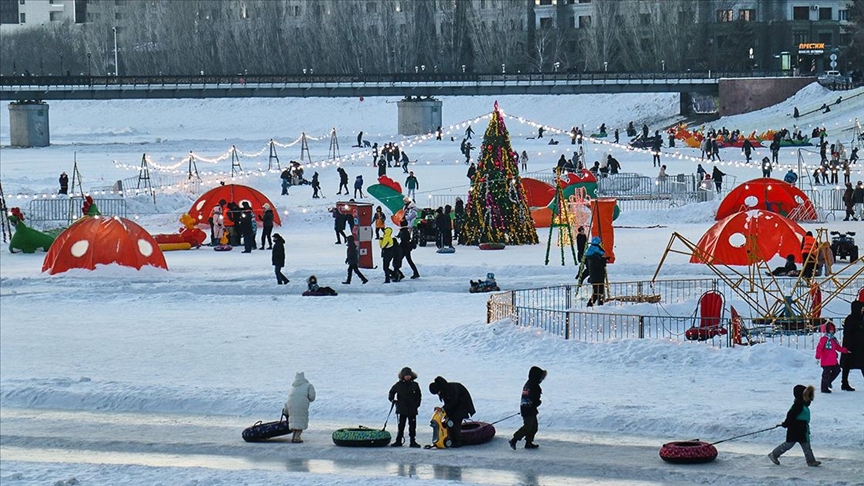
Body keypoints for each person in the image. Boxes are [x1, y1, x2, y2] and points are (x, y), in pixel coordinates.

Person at [768, 385, 820, 467]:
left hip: (802, 429)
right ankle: (774, 454)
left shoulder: (803, 405)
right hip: (795, 428)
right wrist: (786, 424)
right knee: (789, 444)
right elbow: (790, 416)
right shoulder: (798, 405)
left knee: (806, 446)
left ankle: (811, 461)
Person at [428, 376, 476, 448]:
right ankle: (451, 439)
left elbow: (453, 402)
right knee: (450, 421)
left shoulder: (450, 389)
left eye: (437, 392)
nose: (438, 394)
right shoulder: (444, 389)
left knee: (455, 422)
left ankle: (458, 441)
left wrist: (443, 409)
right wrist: (444, 411)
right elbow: (449, 403)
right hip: (456, 406)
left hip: (463, 405)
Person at [509, 366, 546, 450]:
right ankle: (514, 440)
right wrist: (537, 402)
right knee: (528, 427)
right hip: (528, 410)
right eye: (541, 377)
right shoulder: (534, 386)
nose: (542, 379)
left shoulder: (529, 384)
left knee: (534, 427)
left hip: (528, 409)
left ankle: (528, 442)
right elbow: (533, 398)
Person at [389, 367, 422, 448]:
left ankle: (413, 441)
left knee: (412, 426)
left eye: (409, 375)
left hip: (412, 409)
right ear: (403, 376)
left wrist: (416, 405)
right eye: (406, 375)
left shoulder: (415, 385)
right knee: (401, 426)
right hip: (402, 409)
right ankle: (398, 441)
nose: (408, 377)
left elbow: (419, 396)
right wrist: (393, 400)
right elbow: (391, 392)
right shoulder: (398, 385)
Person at [816, 322, 850, 393]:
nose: (832, 331)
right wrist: (818, 356)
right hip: (826, 360)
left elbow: (837, 347)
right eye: (830, 330)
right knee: (826, 374)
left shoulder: (833, 339)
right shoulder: (824, 339)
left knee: (837, 370)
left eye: (832, 330)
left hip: (833, 360)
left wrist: (845, 350)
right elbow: (819, 348)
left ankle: (828, 382)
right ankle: (824, 388)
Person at [283, 372, 316, 444]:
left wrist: (285, 410)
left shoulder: (293, 388)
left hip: (290, 406)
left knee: (295, 421)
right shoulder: (308, 386)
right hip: (301, 405)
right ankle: (297, 437)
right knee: (300, 420)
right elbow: (312, 397)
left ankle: (294, 436)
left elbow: (288, 399)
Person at [840, 300, 864, 391]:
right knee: (847, 365)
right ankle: (844, 383)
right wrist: (848, 347)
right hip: (852, 346)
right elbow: (847, 334)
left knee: (862, 364)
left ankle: (844, 383)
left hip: (860, 346)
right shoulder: (850, 319)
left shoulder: (861, 318)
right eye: (861, 308)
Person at [585, 237, 607, 307]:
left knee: (598, 291)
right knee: (598, 292)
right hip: (598, 277)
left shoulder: (590, 254)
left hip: (595, 277)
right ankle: (592, 304)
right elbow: (599, 266)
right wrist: (603, 260)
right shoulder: (595, 256)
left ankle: (598, 304)